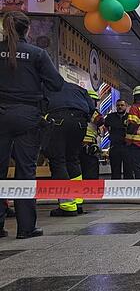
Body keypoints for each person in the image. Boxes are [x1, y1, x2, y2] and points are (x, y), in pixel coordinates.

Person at [0, 12, 64, 238]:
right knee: (25, 170)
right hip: (27, 115)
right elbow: (56, 84)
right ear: (27, 29)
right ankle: (26, 227)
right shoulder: (37, 54)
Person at [43, 82, 95, 216]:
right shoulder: (77, 88)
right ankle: (77, 202)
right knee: (73, 160)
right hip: (80, 123)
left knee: (58, 161)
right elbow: (91, 107)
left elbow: (39, 106)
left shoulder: (46, 86)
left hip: (58, 119)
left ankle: (67, 206)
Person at [79, 90, 105, 182]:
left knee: (79, 167)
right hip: (88, 143)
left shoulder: (78, 109)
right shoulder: (92, 111)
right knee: (90, 167)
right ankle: (91, 189)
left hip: (77, 142)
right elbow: (100, 121)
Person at [104, 99, 130, 179]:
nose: (120, 107)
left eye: (122, 105)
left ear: (126, 106)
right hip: (115, 146)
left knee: (128, 170)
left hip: (127, 146)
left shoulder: (130, 116)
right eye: (118, 105)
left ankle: (128, 188)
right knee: (115, 171)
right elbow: (106, 127)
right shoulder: (110, 116)